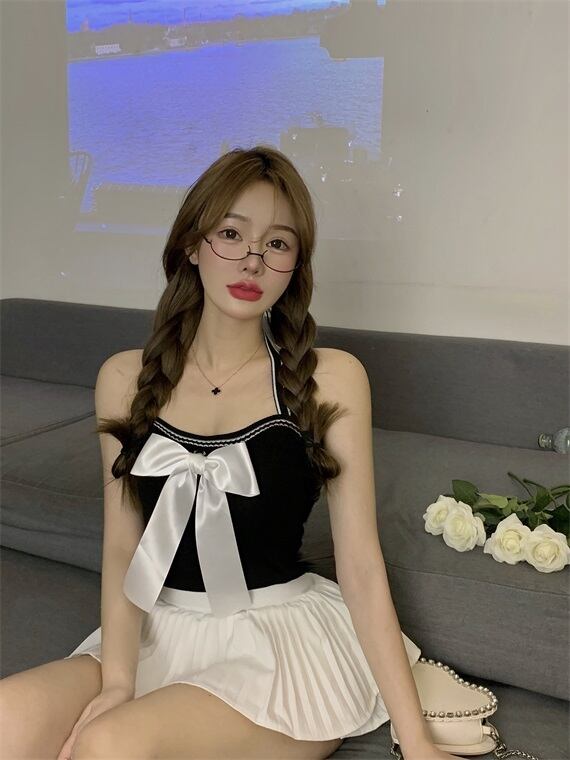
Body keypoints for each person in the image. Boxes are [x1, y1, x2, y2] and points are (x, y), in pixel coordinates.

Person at [0, 146, 459, 760]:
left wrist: (416, 738)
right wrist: (117, 681)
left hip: (279, 648)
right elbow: (122, 547)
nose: (252, 260)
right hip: (157, 631)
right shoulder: (124, 378)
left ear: (295, 265)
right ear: (193, 245)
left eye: (277, 243)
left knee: (110, 744)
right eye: (231, 233)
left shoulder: (333, 378)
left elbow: (361, 565)